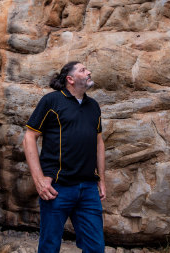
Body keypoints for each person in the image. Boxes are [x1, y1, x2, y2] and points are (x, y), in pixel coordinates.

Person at [23, 61, 106, 253]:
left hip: (88, 188)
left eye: (87, 69)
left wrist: (101, 179)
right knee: (50, 247)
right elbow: (29, 137)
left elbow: (99, 142)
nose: (89, 72)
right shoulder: (51, 101)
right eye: (83, 70)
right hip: (57, 187)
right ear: (70, 79)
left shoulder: (93, 106)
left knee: (95, 248)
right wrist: (39, 180)